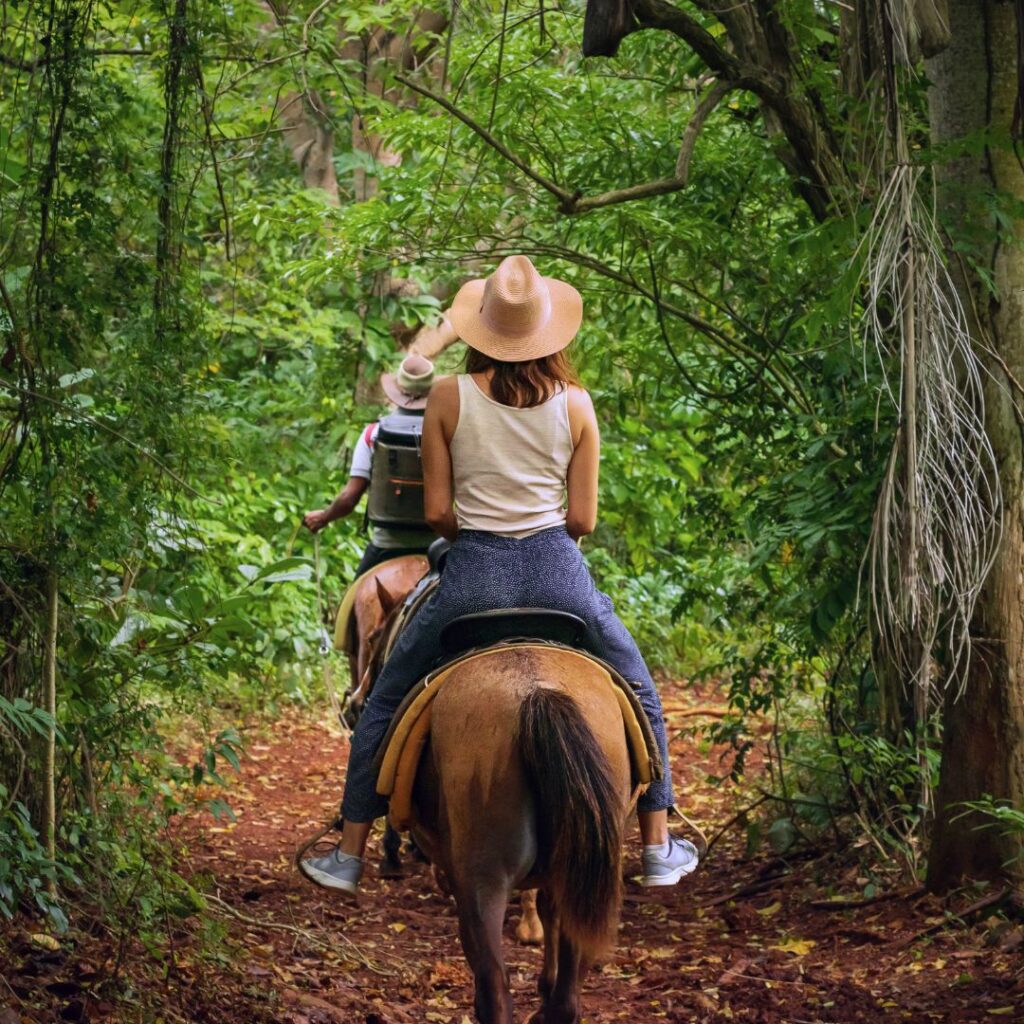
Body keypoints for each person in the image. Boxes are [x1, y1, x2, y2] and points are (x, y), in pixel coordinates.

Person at [298, 255, 698, 894]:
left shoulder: (449, 397)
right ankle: (656, 845)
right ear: (548, 332)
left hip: (472, 576)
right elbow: (583, 520)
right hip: (557, 572)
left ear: (482, 330)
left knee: (383, 695)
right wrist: (538, 541)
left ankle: (348, 851)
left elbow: (435, 512)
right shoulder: (578, 405)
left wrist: (478, 538)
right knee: (640, 688)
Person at [303, 354, 436, 575]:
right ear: (432, 391)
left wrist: (324, 517)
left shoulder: (373, 434)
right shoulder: (449, 434)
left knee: (350, 606)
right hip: (435, 546)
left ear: (398, 392)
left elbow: (349, 498)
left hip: (387, 546)